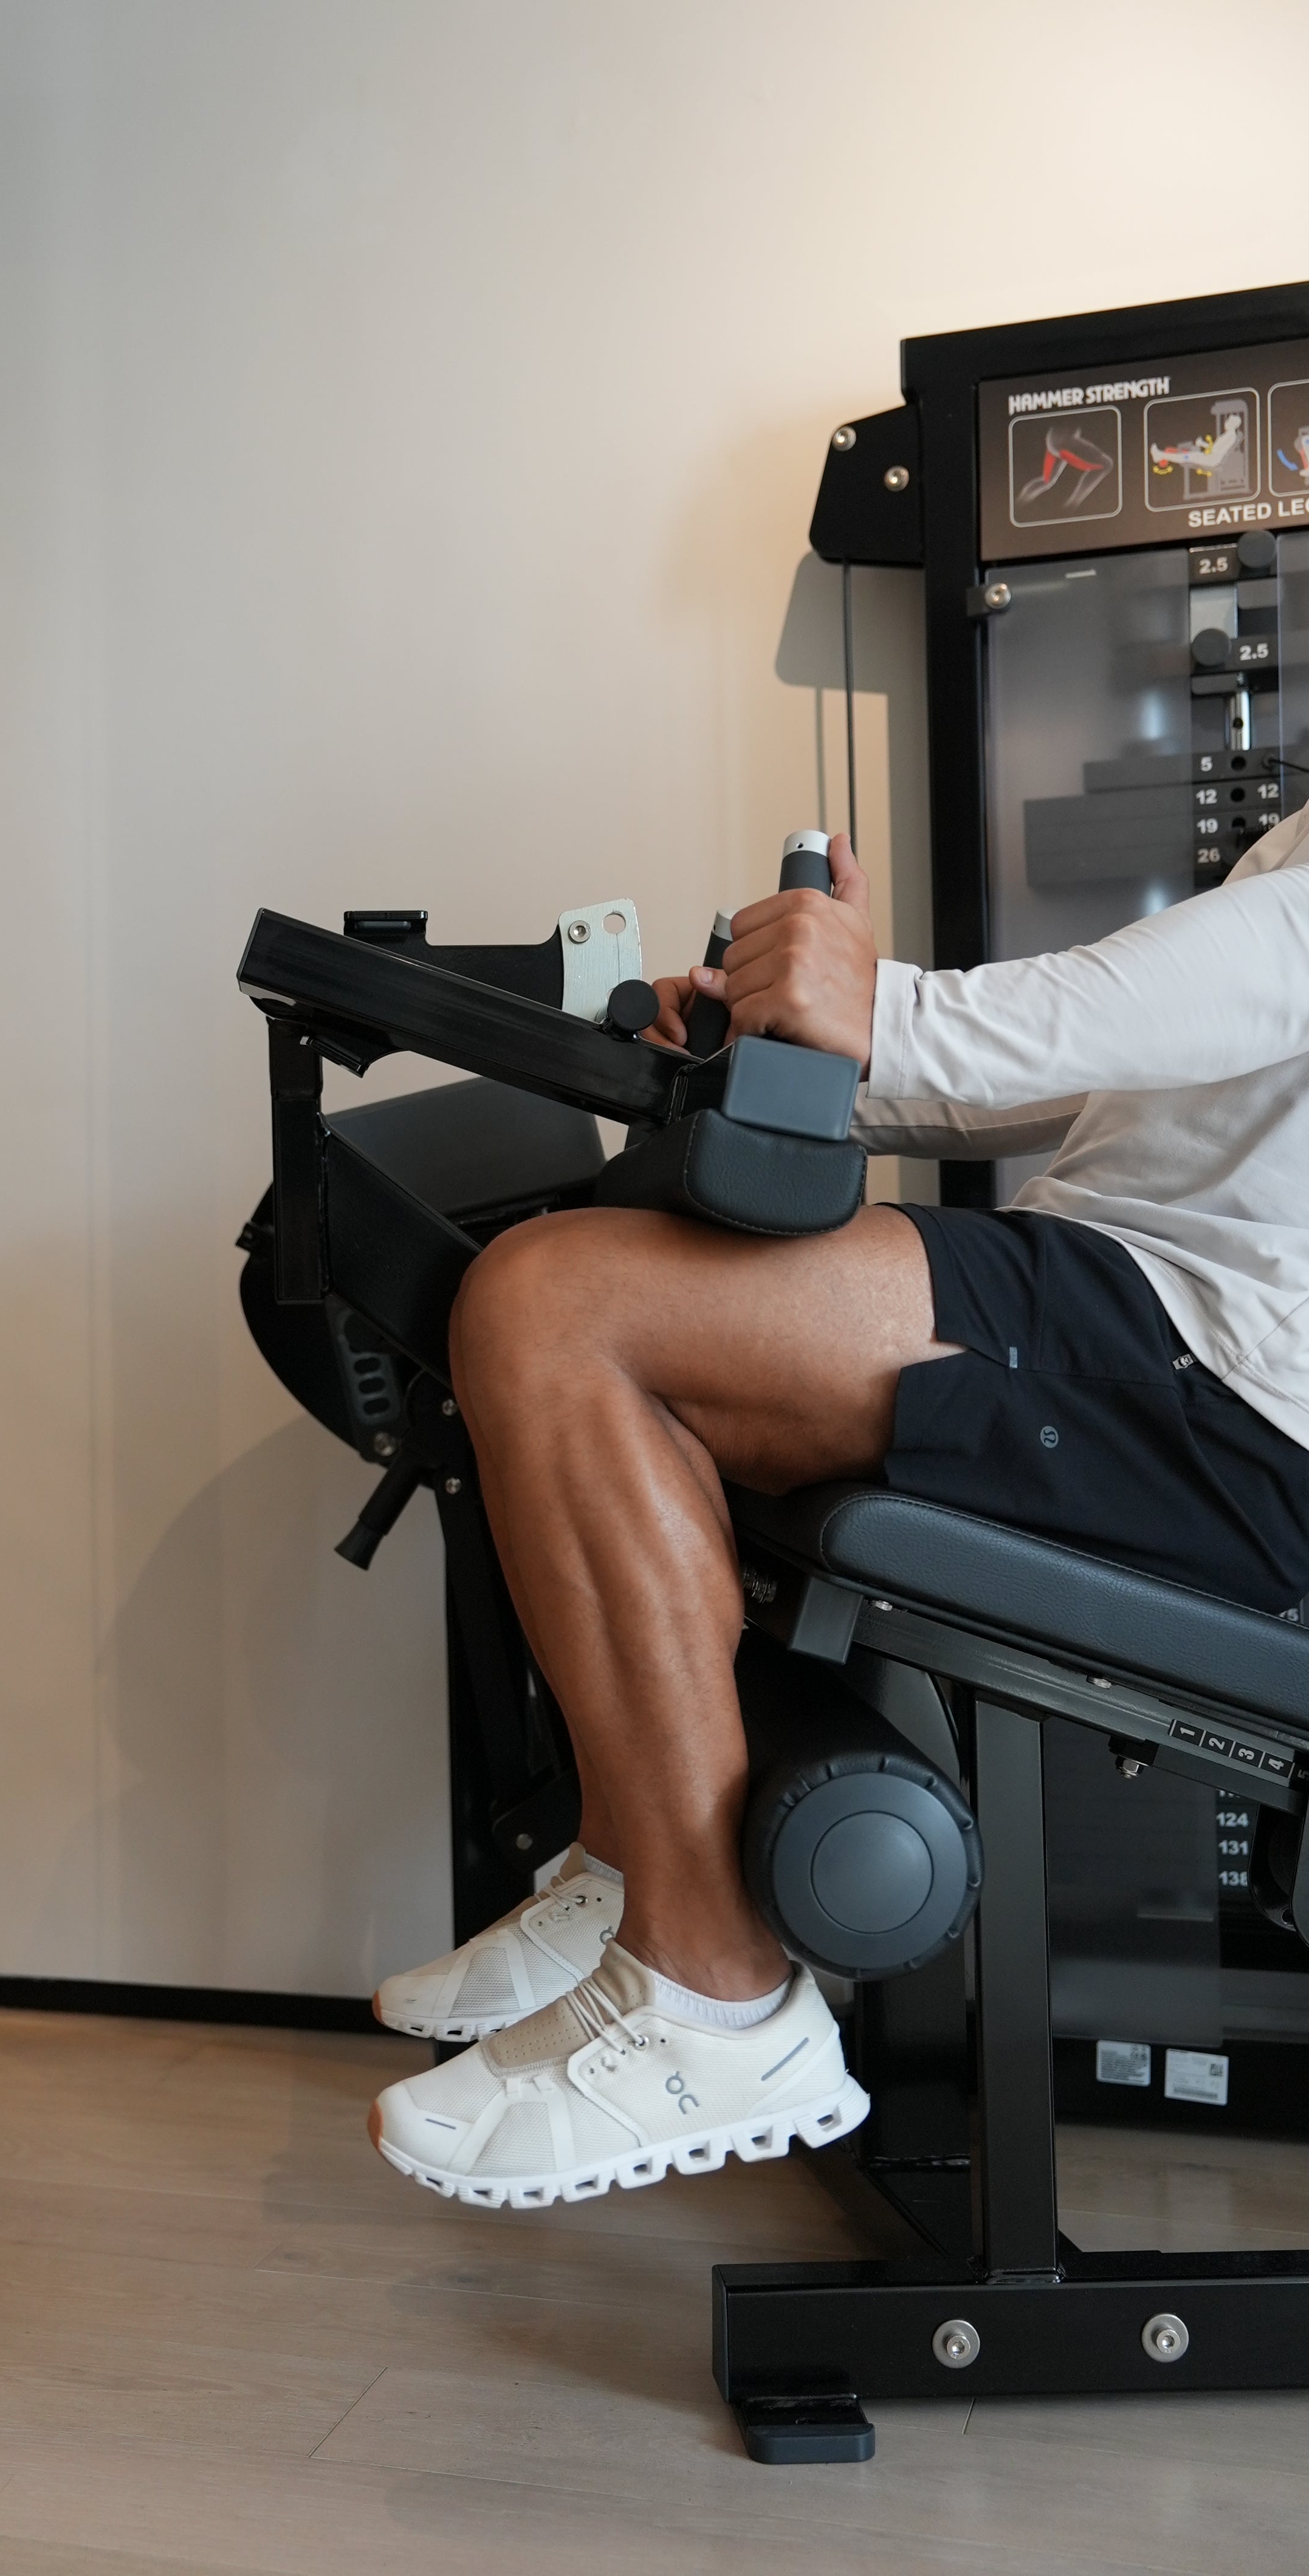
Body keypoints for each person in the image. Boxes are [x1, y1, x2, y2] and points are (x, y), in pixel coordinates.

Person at [366, 805, 1309, 2208]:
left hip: (1219, 1381)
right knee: (575, 1306)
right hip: (1135, 1310)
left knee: (554, 1306)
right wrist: (810, 1049)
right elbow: (1137, 1060)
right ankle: (637, 1872)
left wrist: (880, 1007)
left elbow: (1226, 979)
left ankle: (716, 1994)